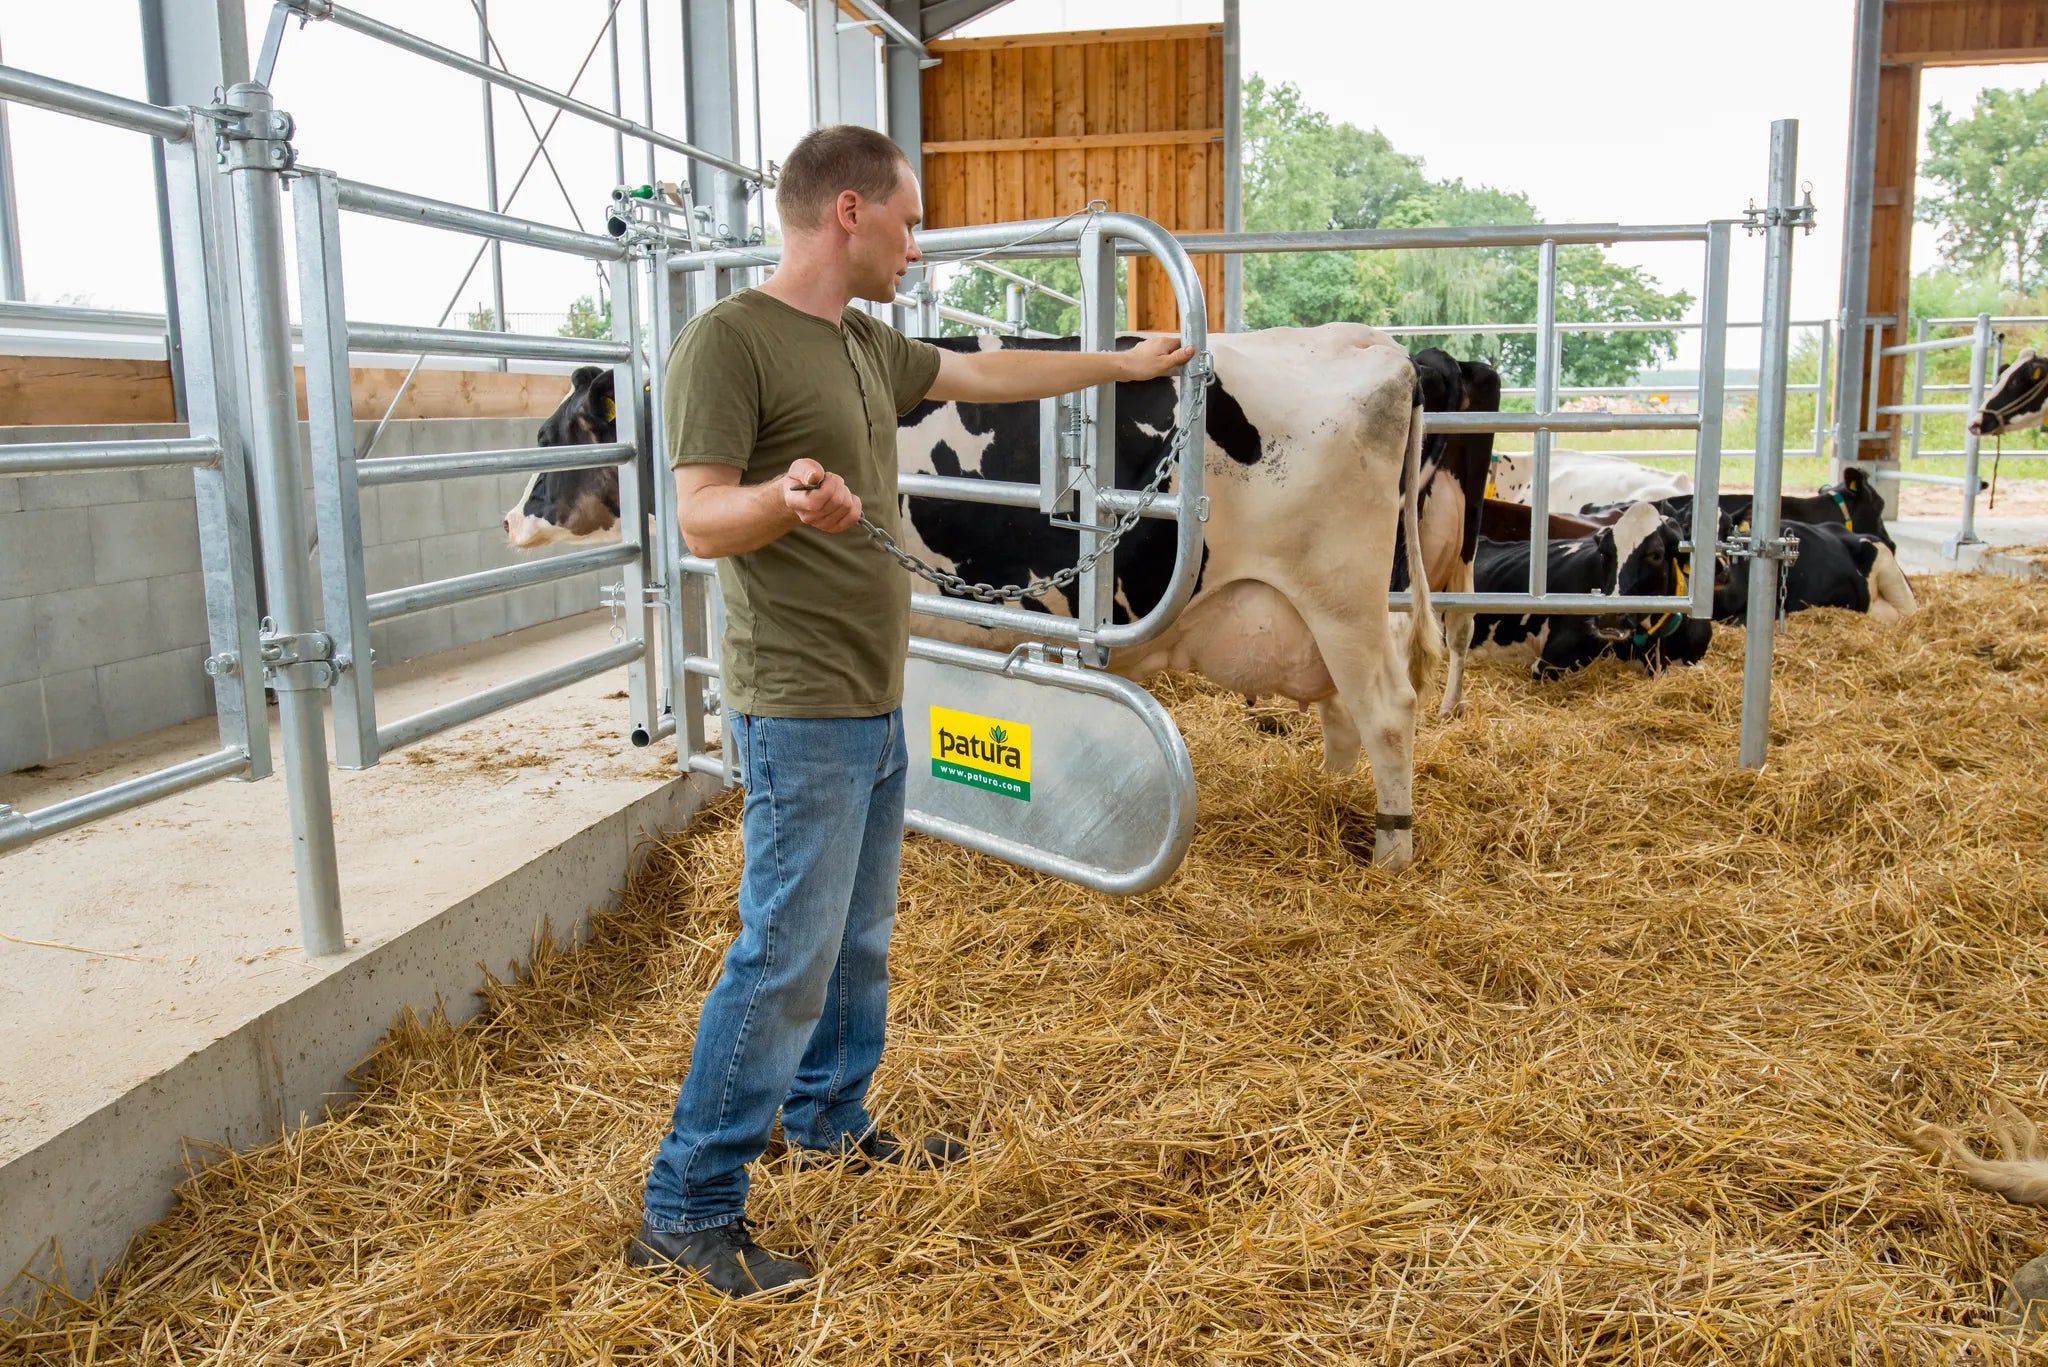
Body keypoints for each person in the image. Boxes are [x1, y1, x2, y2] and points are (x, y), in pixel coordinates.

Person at [625, 123, 1194, 1298]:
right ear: (849, 211)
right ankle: (687, 1200)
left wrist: (1120, 366)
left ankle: (830, 1116)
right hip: (798, 699)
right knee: (782, 950)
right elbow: (697, 518)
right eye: (909, 216)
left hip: (874, 694)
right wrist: (784, 496)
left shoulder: (860, 343)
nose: (915, 240)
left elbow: (982, 375)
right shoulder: (727, 342)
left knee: (856, 941)